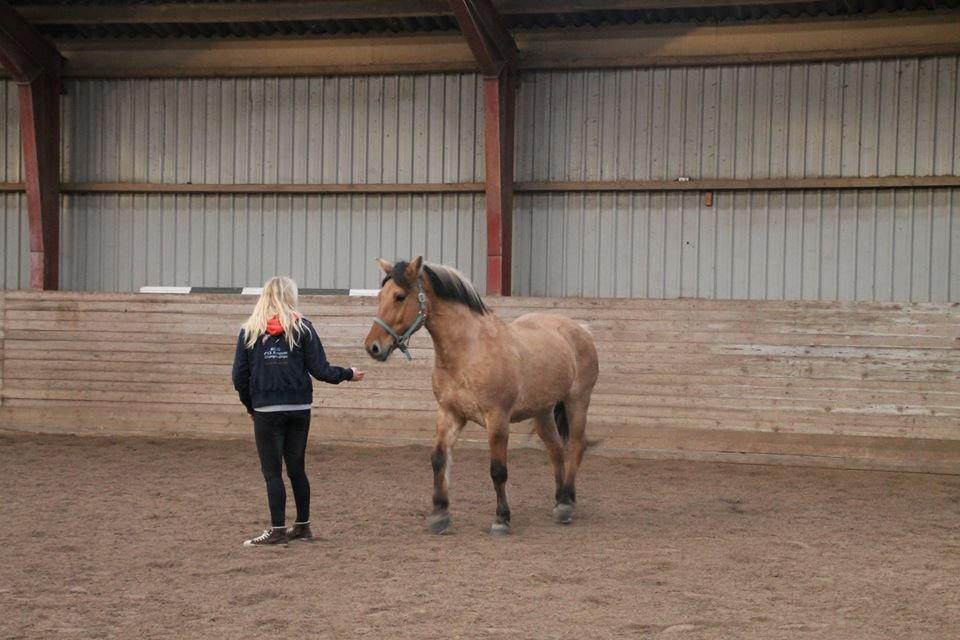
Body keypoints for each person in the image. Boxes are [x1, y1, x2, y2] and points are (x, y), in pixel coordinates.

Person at [232, 276, 364, 547]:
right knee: (297, 469)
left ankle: (278, 530)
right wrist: (348, 374)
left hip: (266, 409)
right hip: (299, 408)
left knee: (272, 472)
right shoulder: (303, 328)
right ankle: (302, 526)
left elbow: (238, 376)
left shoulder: (249, 331)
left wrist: (251, 405)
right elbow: (320, 369)